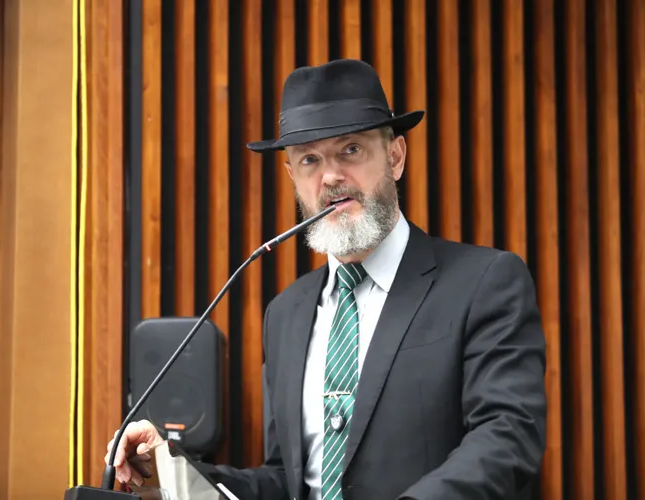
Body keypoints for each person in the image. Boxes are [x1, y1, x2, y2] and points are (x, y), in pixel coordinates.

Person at [106, 59, 547, 500]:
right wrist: (172, 469)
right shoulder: (285, 314)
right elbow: (286, 479)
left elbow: (507, 436)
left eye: (350, 149)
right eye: (310, 160)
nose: (331, 176)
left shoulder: (484, 282)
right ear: (292, 176)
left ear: (395, 156)